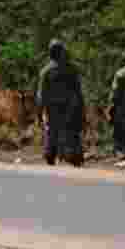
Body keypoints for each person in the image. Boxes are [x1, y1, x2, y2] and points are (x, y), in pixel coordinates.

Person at [35, 39, 86, 167]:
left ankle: (51, 154)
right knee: (72, 131)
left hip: (53, 107)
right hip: (70, 106)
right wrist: (81, 107)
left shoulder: (46, 71)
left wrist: (39, 112)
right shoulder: (71, 69)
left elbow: (41, 94)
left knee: (52, 131)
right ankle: (74, 155)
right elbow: (78, 90)